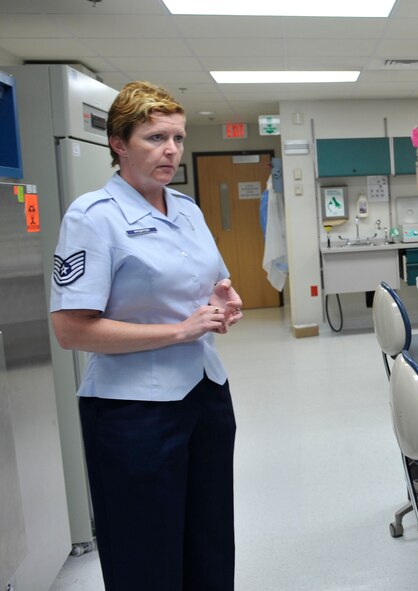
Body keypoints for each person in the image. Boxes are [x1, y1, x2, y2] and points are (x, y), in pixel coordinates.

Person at [50, 81, 243, 591]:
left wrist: (223, 298)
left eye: (177, 138)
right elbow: (71, 329)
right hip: (133, 411)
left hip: (206, 395)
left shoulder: (186, 209)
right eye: (155, 138)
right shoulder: (93, 217)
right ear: (118, 143)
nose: (172, 151)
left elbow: (211, 280)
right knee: (145, 553)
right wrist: (181, 329)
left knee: (210, 541)